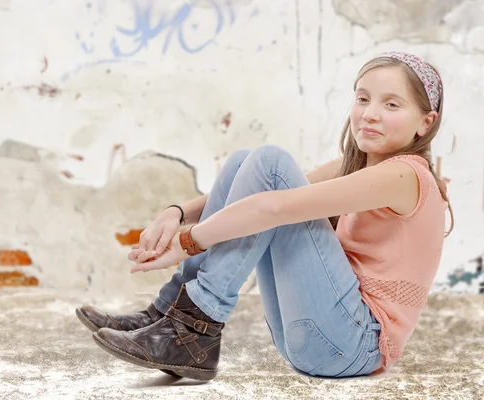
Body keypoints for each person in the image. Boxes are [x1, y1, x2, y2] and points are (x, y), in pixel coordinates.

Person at [75, 51, 453, 381]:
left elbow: (274, 205)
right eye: (363, 98)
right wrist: (177, 212)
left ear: (425, 121)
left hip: (351, 344)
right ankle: (171, 313)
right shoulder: (361, 166)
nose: (370, 114)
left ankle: (194, 326)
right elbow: (257, 190)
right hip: (321, 337)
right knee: (247, 162)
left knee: (271, 164)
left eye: (391, 104)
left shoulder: (405, 175)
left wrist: (189, 241)